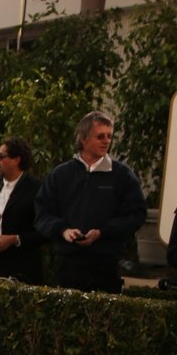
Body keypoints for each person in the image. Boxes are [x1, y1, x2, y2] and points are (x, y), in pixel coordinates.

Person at [35, 110, 147, 292]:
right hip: (68, 265)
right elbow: (42, 213)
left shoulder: (122, 175)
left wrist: (103, 232)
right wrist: (63, 230)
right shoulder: (61, 174)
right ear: (83, 139)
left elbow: (137, 215)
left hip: (106, 265)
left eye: (109, 136)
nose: (106, 141)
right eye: (100, 136)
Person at [0, 136, 44, 283]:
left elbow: (43, 230)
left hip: (19, 264)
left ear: (16, 160)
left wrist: (15, 239)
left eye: (1, 157)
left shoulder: (35, 188)